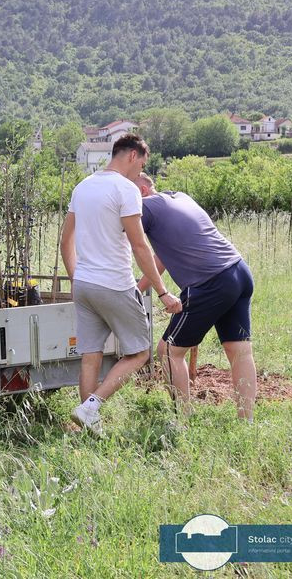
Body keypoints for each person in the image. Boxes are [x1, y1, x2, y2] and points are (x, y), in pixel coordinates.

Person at [59, 134, 182, 436]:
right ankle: (91, 407)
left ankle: (89, 425)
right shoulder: (125, 189)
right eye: (142, 163)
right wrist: (163, 292)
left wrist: (77, 277)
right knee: (140, 352)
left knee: (91, 355)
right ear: (131, 156)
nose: (141, 171)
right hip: (114, 284)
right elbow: (140, 246)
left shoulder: (83, 186)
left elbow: (65, 241)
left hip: (85, 285)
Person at [133, 174, 256, 420]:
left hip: (210, 283)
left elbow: (135, 244)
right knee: (239, 350)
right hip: (238, 271)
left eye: (127, 192)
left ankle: (183, 420)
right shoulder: (179, 197)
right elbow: (161, 258)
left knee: (169, 350)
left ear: (143, 190)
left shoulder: (146, 206)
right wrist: (137, 289)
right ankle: (247, 421)